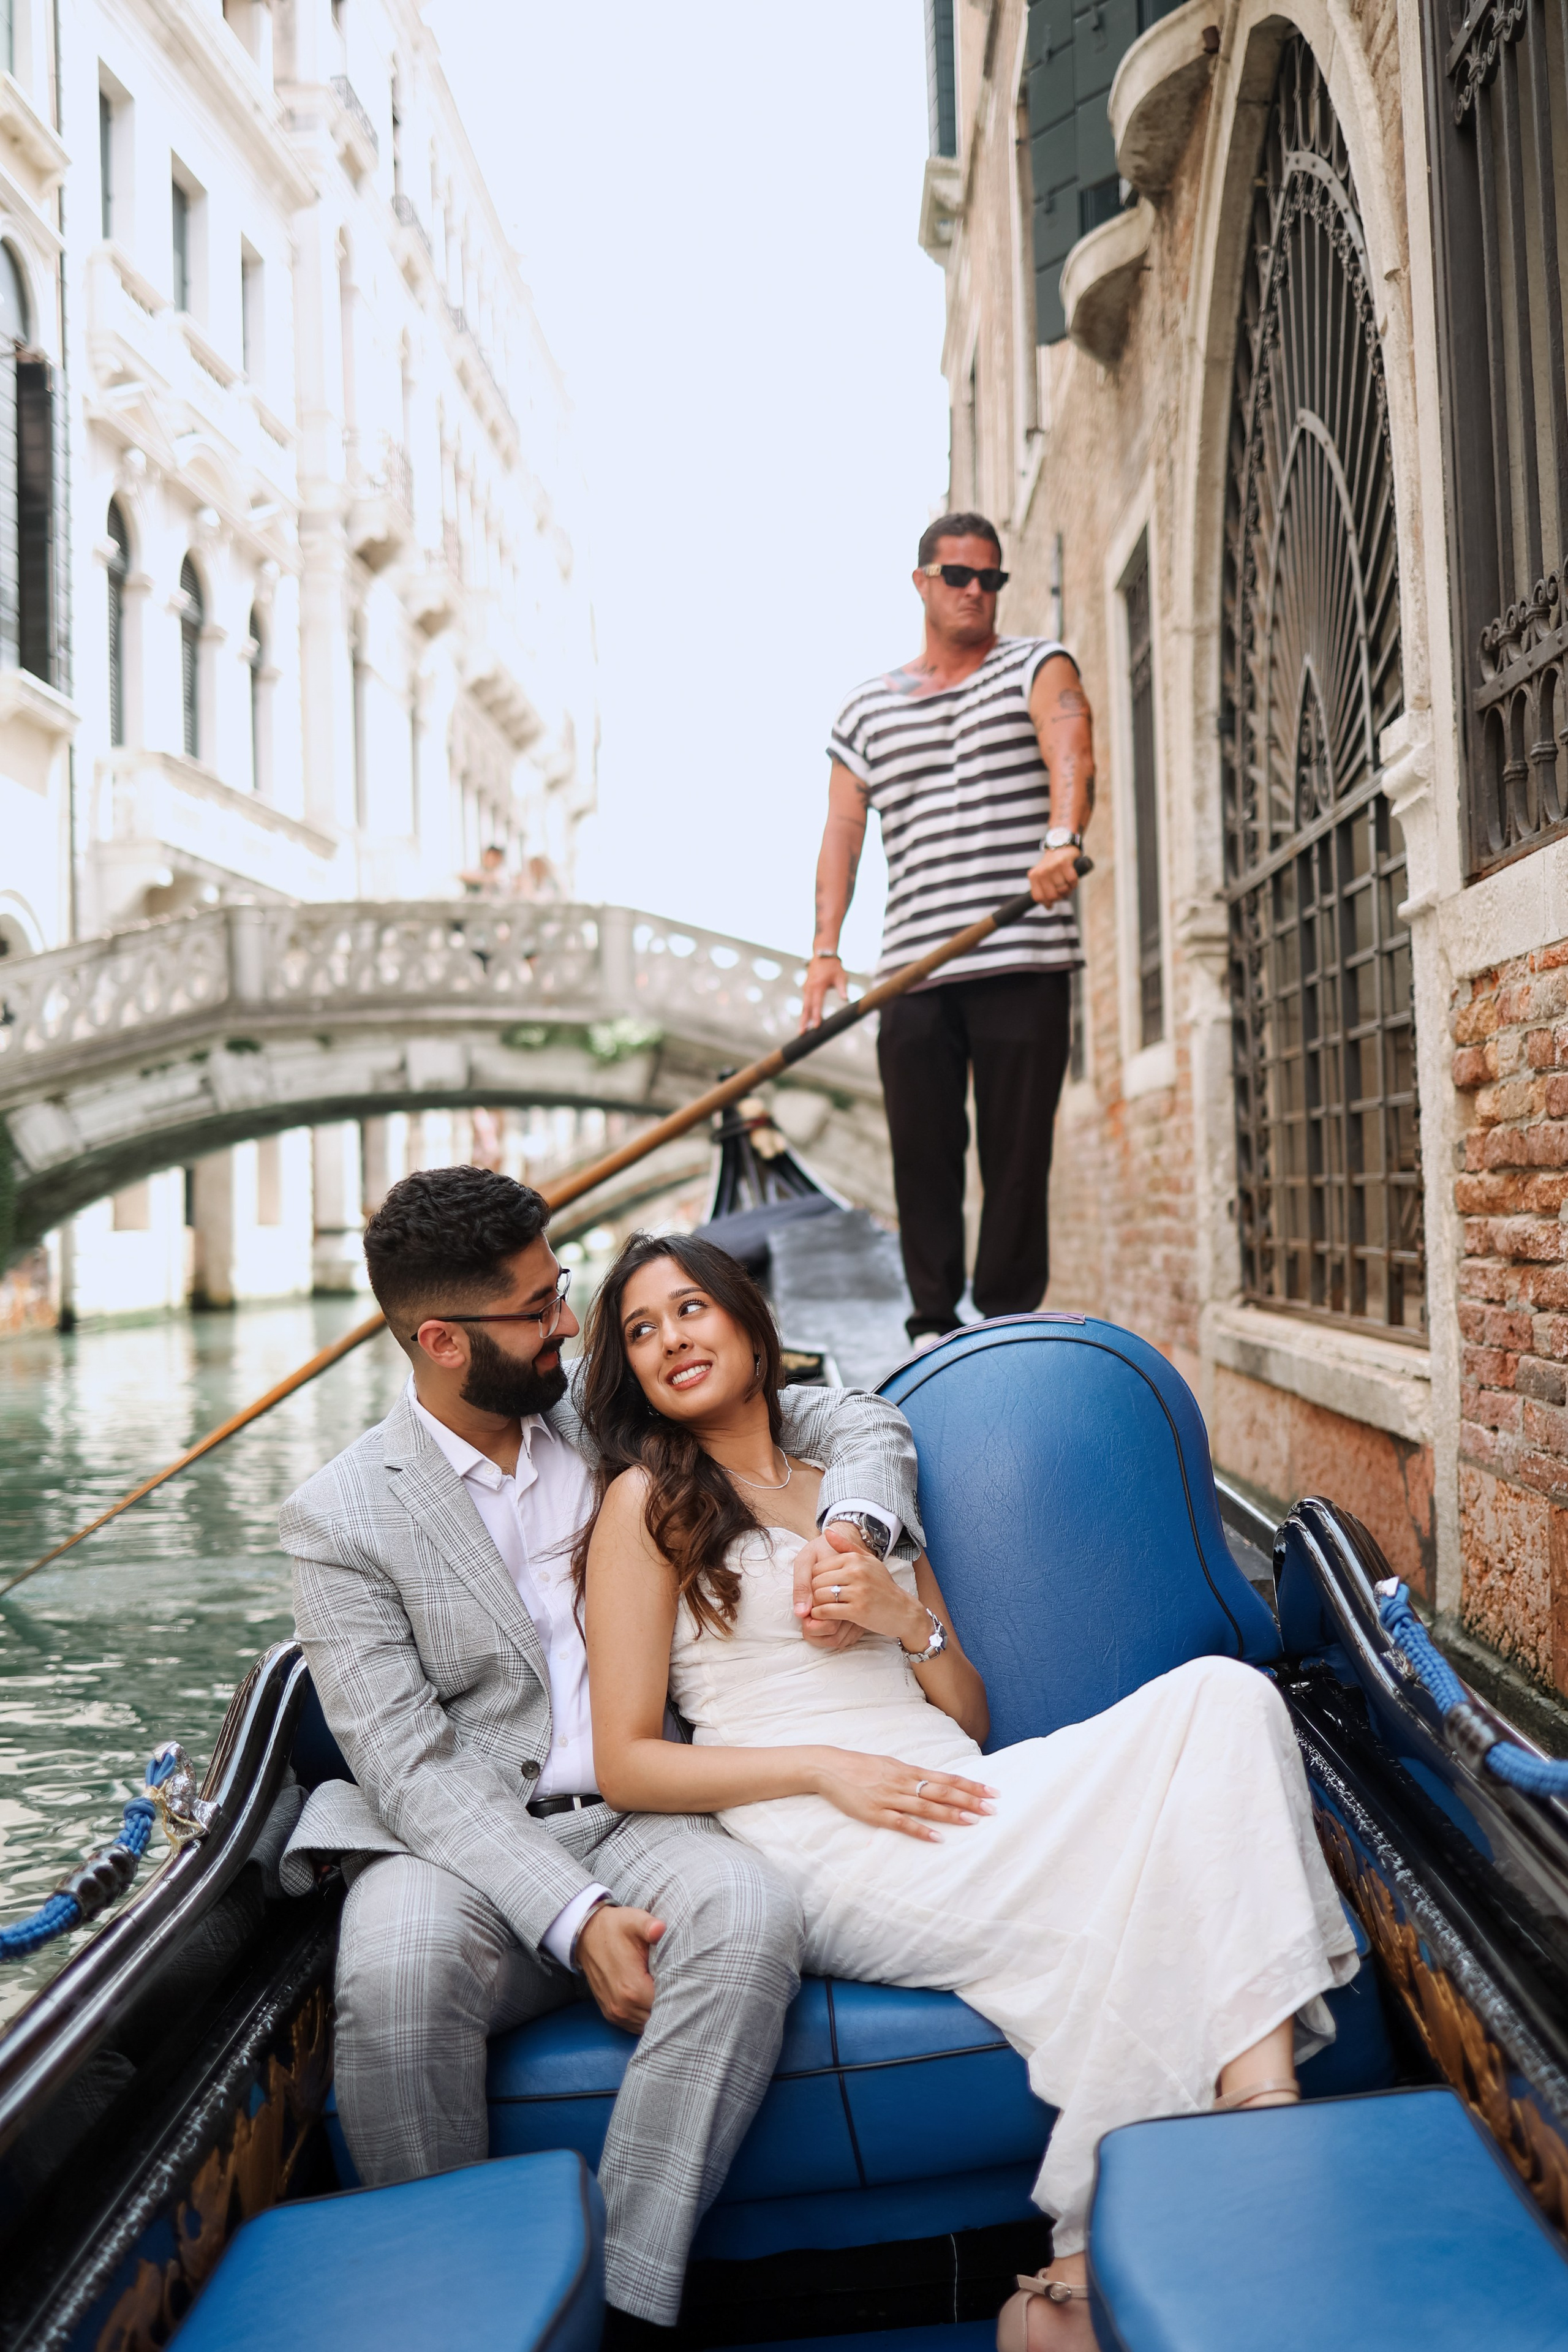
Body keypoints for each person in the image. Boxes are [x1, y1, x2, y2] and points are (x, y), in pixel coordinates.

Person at [576, 1232, 1360, 2348]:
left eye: (691, 1308)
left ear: (749, 1321)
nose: (672, 1341)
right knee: (1146, 1874)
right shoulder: (647, 1504)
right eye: (642, 1332)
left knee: (1227, 1698)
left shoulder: (853, 1489)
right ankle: (1229, 2166)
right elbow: (626, 1762)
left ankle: (1222, 2137)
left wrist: (906, 1620)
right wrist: (822, 1768)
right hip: (813, 1824)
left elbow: (969, 1714)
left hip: (952, 1780)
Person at [277, 1164, 923, 2342]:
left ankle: (622, 2301)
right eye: (537, 1310)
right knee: (396, 1964)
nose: (569, 1325)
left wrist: (853, 1526)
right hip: (461, 1841)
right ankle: (455, 2310)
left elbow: (852, 1417)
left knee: (748, 1915)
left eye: (561, 1289)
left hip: (650, 1806)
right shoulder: (339, 1518)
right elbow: (411, 1771)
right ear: (440, 1340)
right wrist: (576, 1917)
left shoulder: (599, 1412)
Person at [802, 511, 1095, 1343]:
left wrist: (1061, 837)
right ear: (923, 582)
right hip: (915, 970)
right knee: (921, 1160)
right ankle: (932, 1326)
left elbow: (1071, 747)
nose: (976, 592)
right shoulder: (867, 710)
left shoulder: (1037, 664)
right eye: (959, 576)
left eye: (990, 579)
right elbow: (842, 833)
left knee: (1015, 1160)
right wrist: (826, 950)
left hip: (1023, 954)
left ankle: (1005, 1322)